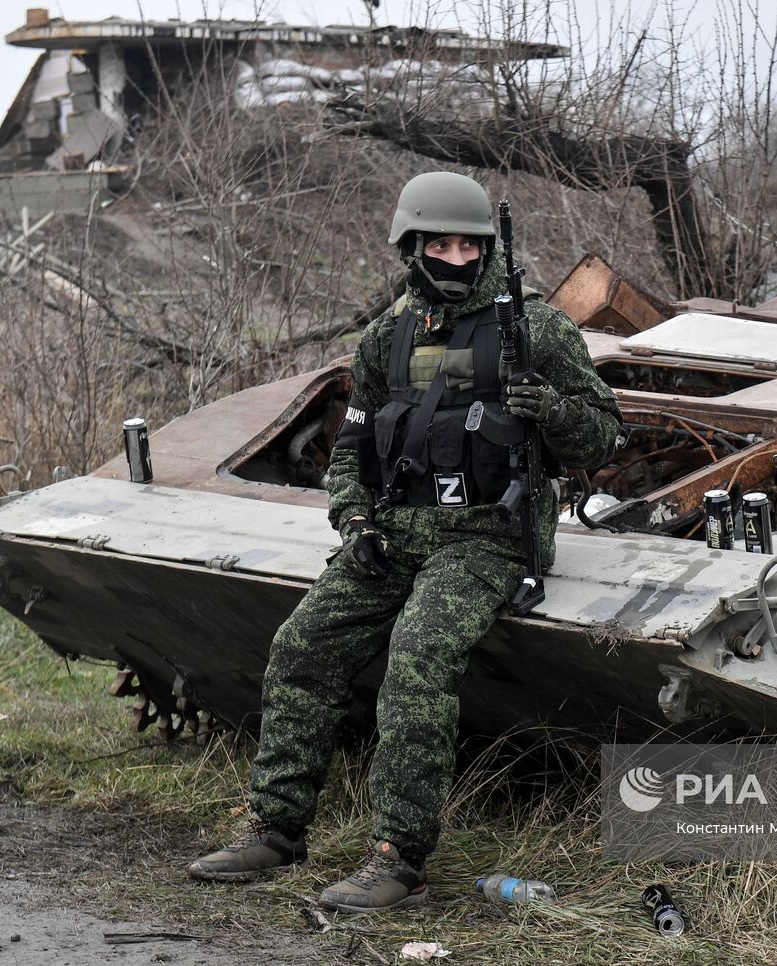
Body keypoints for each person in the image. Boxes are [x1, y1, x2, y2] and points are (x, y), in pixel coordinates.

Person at [188, 171, 622, 912]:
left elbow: (603, 437)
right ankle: (278, 826)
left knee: (417, 655)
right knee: (303, 645)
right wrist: (352, 521)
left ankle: (399, 859)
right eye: (439, 245)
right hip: (392, 534)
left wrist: (545, 406)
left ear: (487, 249)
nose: (455, 258)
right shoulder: (387, 336)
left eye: (468, 246)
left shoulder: (538, 331)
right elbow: (353, 450)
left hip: (487, 538)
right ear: (412, 248)